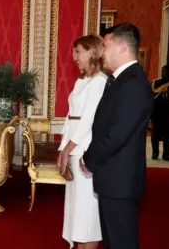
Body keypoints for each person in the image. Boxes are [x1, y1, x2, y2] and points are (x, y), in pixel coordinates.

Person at [82, 23, 154, 249]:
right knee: (114, 241)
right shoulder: (121, 80)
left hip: (120, 180)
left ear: (122, 47)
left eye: (106, 45)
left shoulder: (132, 83)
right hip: (113, 178)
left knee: (122, 242)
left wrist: (90, 160)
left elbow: (116, 135)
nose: (102, 51)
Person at [57, 35, 107, 249]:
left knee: (88, 211)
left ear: (92, 52)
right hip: (74, 148)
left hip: (86, 150)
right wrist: (63, 149)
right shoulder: (82, 81)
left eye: (78, 51)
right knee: (77, 209)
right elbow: (71, 117)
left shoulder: (100, 82)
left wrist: (68, 149)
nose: (74, 57)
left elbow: (88, 120)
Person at [150, 65, 169, 161]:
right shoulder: (156, 83)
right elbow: (151, 99)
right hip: (157, 113)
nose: (163, 73)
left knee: (168, 135)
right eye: (162, 71)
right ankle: (155, 153)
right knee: (155, 134)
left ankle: (166, 154)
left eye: (165, 71)